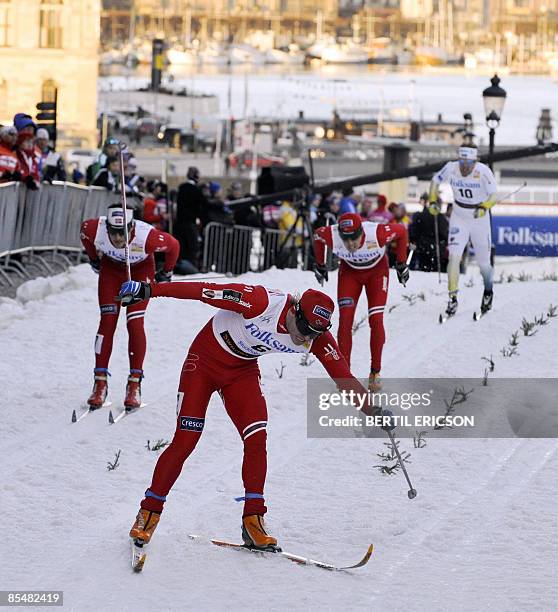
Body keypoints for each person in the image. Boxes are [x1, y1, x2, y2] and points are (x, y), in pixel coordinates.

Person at [117, 280, 393, 551]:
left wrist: (374, 410)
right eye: (304, 329)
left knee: (256, 436)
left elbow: (343, 377)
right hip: (204, 363)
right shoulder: (260, 302)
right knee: (187, 438)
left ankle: (253, 520)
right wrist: (150, 289)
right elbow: (202, 291)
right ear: (295, 309)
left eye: (313, 334)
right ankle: (149, 512)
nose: (305, 338)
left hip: (242, 371)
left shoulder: (316, 337)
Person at [80, 204, 179, 410]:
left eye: (123, 233)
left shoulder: (147, 237)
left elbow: (174, 246)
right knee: (107, 322)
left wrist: (166, 272)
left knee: (134, 323)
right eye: (113, 233)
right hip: (111, 272)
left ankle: (134, 384)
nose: (117, 239)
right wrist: (93, 259)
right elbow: (84, 235)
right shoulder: (93, 229)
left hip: (141, 272)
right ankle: (100, 383)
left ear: (132, 227)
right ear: (106, 227)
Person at [313, 212, 409, 391]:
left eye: (354, 238)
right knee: (345, 321)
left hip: (377, 272)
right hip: (350, 273)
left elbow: (402, 231)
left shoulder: (377, 234)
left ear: (362, 231)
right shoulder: (331, 234)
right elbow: (317, 235)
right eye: (345, 239)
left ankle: (375, 372)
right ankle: (344, 376)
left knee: (376, 319)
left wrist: (401, 263)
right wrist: (320, 264)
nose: (350, 244)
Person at [429, 144, 497, 317]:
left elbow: (493, 196)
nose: (465, 166)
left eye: (469, 162)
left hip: (479, 218)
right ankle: (452, 298)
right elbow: (435, 180)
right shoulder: (451, 168)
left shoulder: (483, 171)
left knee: (484, 264)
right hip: (459, 216)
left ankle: (488, 291)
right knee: (454, 257)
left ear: (475, 160)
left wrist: (485, 207)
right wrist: (432, 201)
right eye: (462, 161)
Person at [175, 166, 207, 273]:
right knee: (192, 247)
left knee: (181, 247)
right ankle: (190, 269)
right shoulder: (195, 190)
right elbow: (202, 205)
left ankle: (180, 267)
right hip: (190, 223)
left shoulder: (181, 188)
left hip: (179, 223)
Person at [409, 193, 449, 273]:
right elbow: (444, 234)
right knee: (434, 269)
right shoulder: (440, 217)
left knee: (423, 268)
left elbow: (414, 232)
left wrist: (414, 241)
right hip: (436, 247)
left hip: (423, 246)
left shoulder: (420, 215)